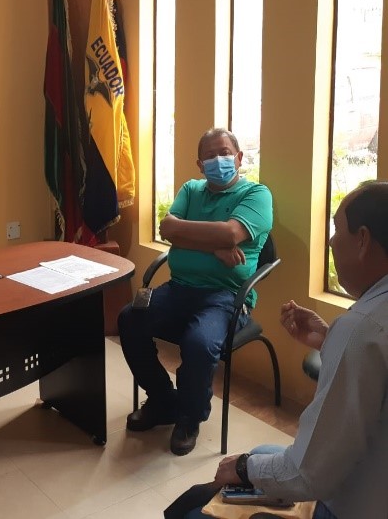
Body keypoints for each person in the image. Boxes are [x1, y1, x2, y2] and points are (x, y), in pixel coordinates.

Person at [172, 181, 388, 519]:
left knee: (195, 510)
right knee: (263, 451)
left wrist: (241, 467)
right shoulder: (367, 325)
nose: (331, 241)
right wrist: (331, 340)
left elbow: (308, 473)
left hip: (349, 505)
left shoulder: (362, 328)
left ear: (362, 240)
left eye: (336, 229)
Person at [119, 128, 273, 455]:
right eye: (210, 156)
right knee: (129, 319)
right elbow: (166, 228)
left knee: (199, 343)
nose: (219, 160)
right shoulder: (191, 189)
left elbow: (231, 233)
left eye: (225, 153)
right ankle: (164, 401)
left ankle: (190, 417)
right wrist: (215, 247)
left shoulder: (257, 195)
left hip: (227, 296)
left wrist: (193, 236)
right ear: (200, 165)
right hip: (179, 288)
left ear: (239, 157)